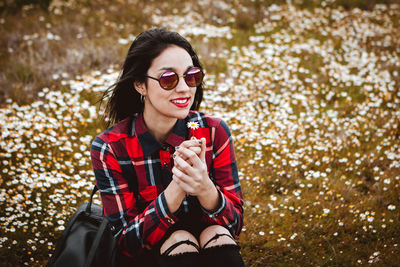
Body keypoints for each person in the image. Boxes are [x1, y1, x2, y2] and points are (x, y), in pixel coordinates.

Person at [90, 28, 244, 267]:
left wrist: (205, 189)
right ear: (140, 84)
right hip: (150, 255)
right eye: (168, 79)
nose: (184, 88)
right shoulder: (110, 147)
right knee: (179, 240)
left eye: (191, 75)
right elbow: (125, 243)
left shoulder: (214, 131)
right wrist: (177, 188)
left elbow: (234, 225)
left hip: (212, 245)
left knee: (219, 236)